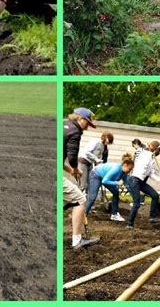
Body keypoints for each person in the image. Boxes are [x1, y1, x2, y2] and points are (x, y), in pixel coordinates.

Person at [63, 107, 100, 249]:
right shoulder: (75, 131)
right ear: (81, 119)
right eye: (87, 124)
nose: (87, 128)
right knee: (80, 200)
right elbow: (72, 156)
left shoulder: (63, 126)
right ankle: (77, 241)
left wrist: (71, 171)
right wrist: (76, 168)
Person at [85, 153, 134, 222]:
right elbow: (105, 181)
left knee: (116, 192)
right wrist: (117, 183)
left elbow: (127, 184)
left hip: (104, 177)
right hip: (96, 174)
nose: (130, 171)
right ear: (125, 165)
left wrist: (135, 193)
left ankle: (114, 214)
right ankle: (83, 215)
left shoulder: (124, 173)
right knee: (92, 197)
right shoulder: (117, 169)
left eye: (131, 169)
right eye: (129, 169)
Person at [127, 140, 160, 228]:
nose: (159, 153)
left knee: (155, 196)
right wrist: (151, 155)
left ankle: (152, 217)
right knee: (137, 203)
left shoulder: (151, 158)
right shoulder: (146, 155)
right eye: (159, 151)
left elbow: (150, 173)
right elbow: (144, 167)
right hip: (135, 180)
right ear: (155, 149)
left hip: (141, 182)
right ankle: (130, 224)